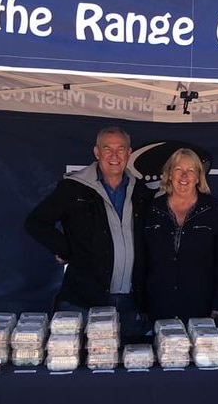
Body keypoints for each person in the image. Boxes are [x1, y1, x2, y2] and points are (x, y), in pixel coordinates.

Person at [24, 126, 151, 341]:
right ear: (96, 152)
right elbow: (36, 222)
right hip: (83, 299)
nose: (114, 156)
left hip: (132, 301)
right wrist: (65, 249)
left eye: (120, 149)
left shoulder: (142, 192)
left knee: (131, 368)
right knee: (81, 367)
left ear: (129, 153)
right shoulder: (73, 188)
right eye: (107, 149)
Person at [139, 148, 218, 324]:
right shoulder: (153, 208)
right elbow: (142, 259)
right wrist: (142, 303)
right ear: (169, 174)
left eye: (190, 171)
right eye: (178, 170)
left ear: (198, 177)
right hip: (160, 305)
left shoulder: (212, 208)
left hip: (201, 306)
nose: (184, 176)